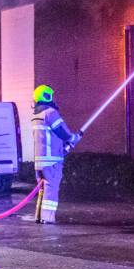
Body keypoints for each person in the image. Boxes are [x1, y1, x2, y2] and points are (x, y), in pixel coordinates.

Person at [30, 85, 80, 224]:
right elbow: (62, 132)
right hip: (51, 161)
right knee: (51, 190)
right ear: (47, 96)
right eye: (51, 96)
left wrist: (64, 146)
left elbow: (49, 137)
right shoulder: (50, 113)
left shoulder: (36, 115)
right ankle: (47, 218)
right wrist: (74, 138)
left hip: (39, 162)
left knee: (42, 190)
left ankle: (39, 217)